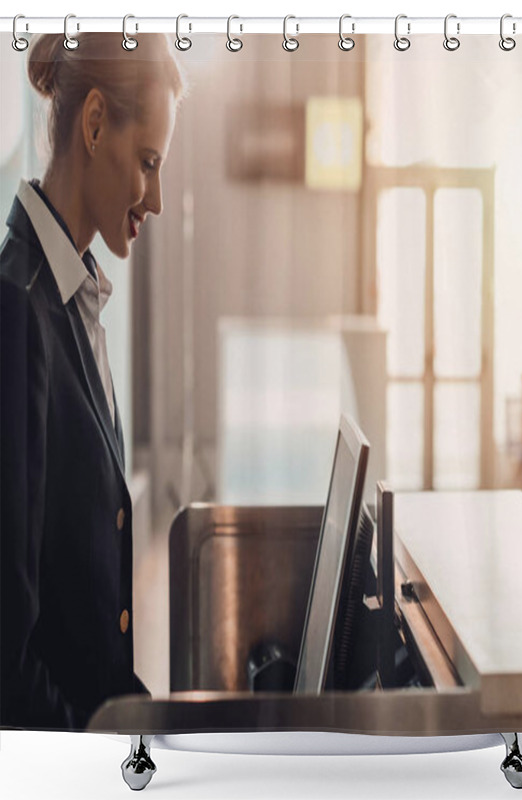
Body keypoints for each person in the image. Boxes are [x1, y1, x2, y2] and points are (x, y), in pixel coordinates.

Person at [1, 33, 184, 730]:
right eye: (148, 164)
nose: (157, 200)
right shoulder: (16, 311)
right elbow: (7, 664)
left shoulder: (72, 300)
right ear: (96, 122)